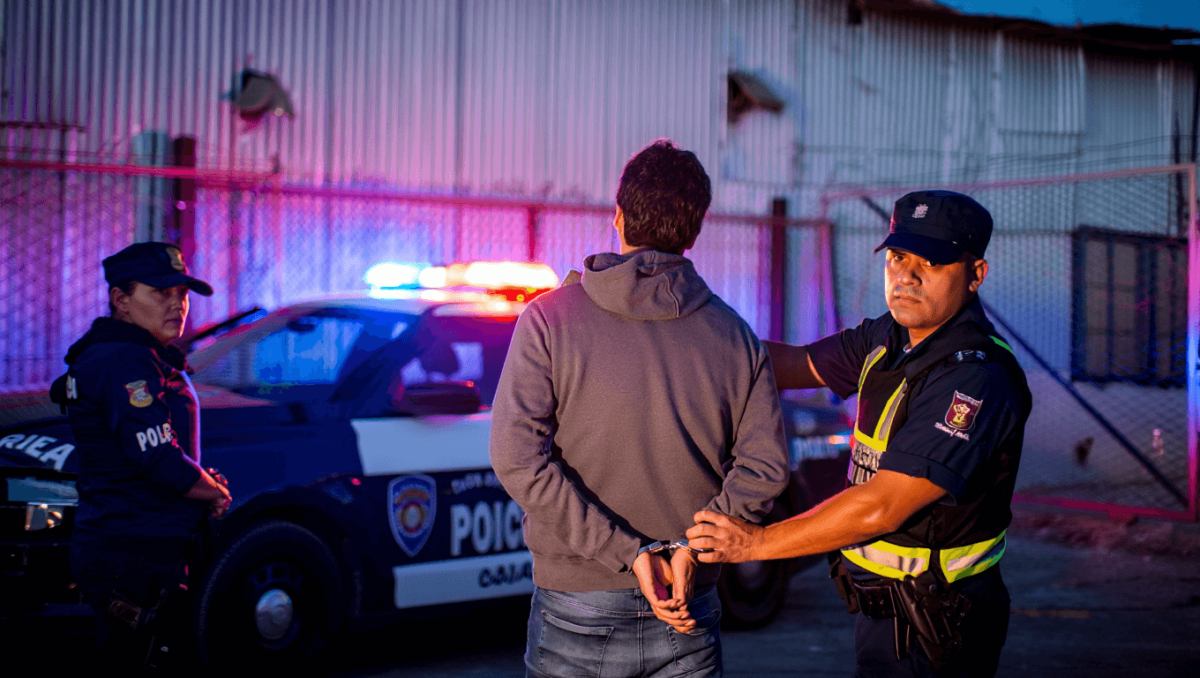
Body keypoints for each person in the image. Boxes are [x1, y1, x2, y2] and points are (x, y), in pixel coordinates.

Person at [687, 190, 1032, 677]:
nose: (906, 275)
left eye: (930, 262)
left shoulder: (975, 378)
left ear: (975, 274)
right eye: (897, 257)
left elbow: (882, 504)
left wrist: (753, 545)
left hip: (939, 624)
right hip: (884, 612)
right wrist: (685, 344)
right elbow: (792, 363)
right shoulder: (886, 338)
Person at [490, 139, 790, 678]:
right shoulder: (736, 337)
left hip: (578, 601)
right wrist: (692, 552)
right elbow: (765, 468)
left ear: (619, 217)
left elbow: (517, 457)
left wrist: (626, 552)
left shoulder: (548, 321)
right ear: (695, 230)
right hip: (688, 600)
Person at [49, 242, 232, 672]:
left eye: (182, 295)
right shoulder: (123, 360)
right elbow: (158, 459)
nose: (177, 305)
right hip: (128, 556)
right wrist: (211, 491)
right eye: (161, 293)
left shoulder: (132, 354)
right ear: (121, 300)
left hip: (140, 551)